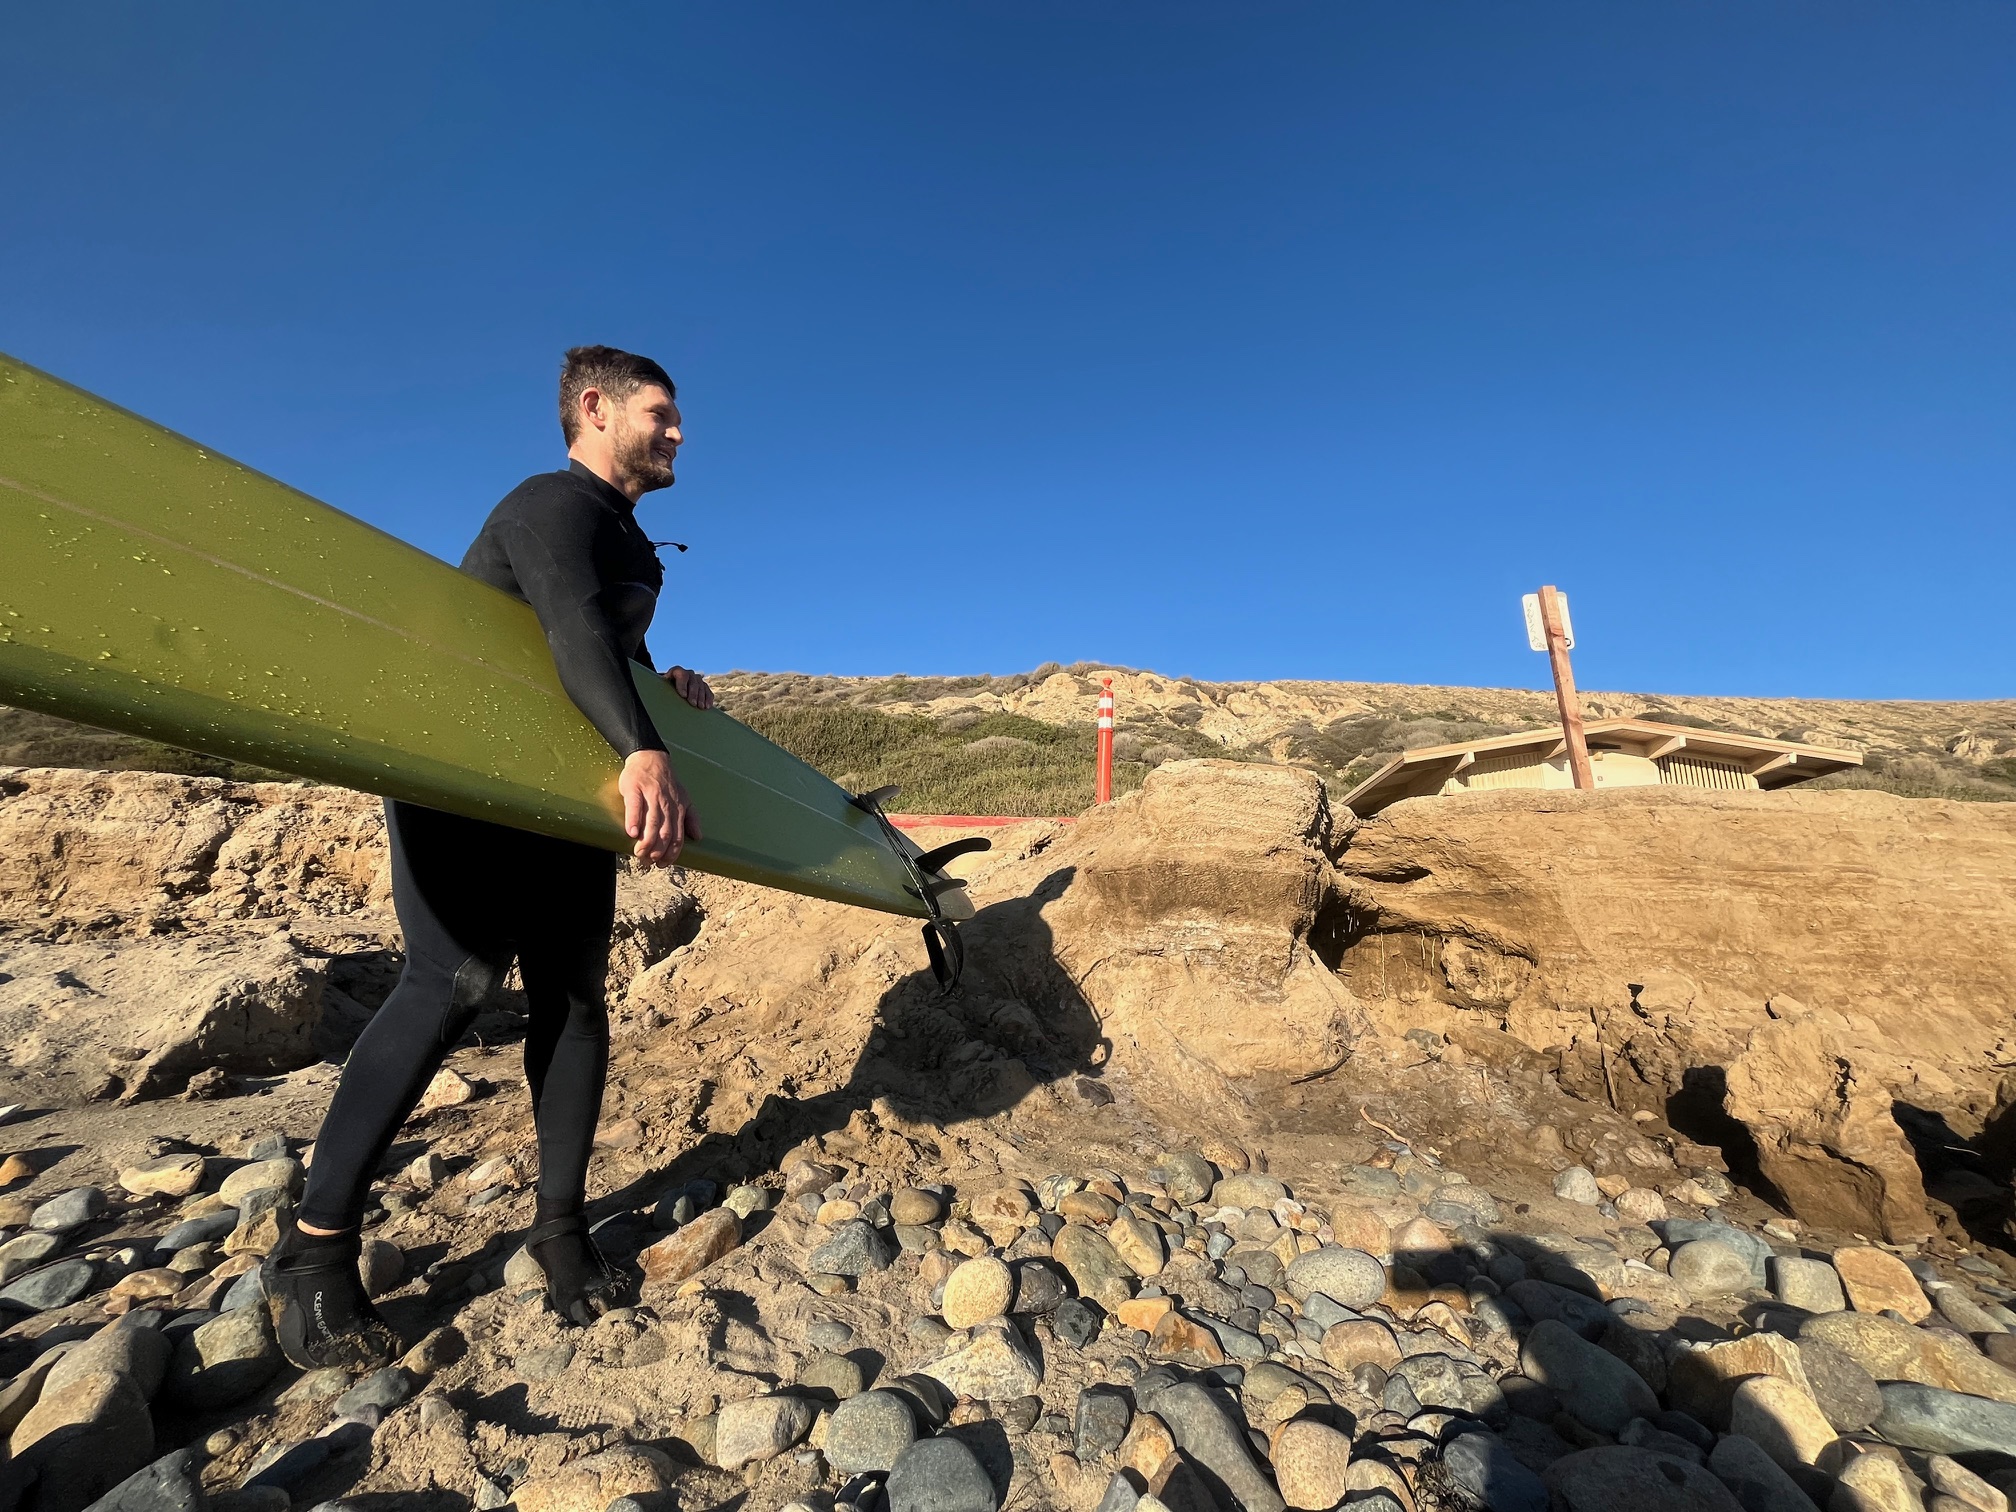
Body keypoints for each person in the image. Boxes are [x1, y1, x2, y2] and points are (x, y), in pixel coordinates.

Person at [264, 346, 713, 1369]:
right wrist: (640, 746)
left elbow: (605, 648)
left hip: (552, 788)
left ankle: (560, 1232)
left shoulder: (630, 542)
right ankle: (314, 1252)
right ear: (595, 410)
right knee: (453, 980)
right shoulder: (550, 505)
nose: (681, 432)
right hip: (458, 768)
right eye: (662, 413)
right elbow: (564, 628)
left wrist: (668, 692)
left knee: (574, 993)